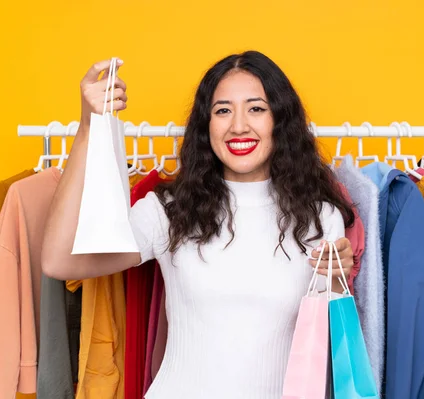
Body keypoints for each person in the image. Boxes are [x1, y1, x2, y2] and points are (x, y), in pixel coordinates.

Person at [42, 50, 358, 398]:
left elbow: (326, 352)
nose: (238, 125)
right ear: (206, 126)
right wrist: (89, 128)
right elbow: (59, 261)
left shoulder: (320, 218)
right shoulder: (170, 211)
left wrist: (338, 280)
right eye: (223, 110)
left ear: (280, 121)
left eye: (256, 108)